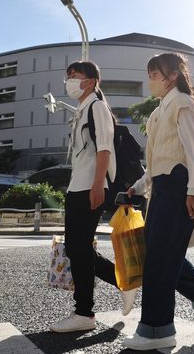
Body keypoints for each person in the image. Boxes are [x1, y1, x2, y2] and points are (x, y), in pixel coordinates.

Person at [122, 53, 194, 351]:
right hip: (162, 188)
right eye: (150, 73)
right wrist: (140, 186)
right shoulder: (159, 110)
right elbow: (156, 160)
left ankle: (157, 329)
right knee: (159, 255)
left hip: (180, 186)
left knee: (159, 261)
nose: (151, 79)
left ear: (172, 76)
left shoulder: (183, 103)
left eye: (155, 74)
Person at [50, 61, 136, 333]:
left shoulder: (97, 107)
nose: (69, 81)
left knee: (79, 248)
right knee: (79, 249)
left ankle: (84, 312)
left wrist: (98, 185)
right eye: (68, 76)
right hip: (78, 186)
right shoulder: (81, 110)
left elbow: (104, 149)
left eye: (74, 76)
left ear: (91, 81)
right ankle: (122, 284)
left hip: (91, 186)